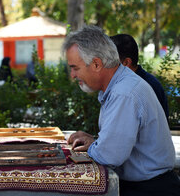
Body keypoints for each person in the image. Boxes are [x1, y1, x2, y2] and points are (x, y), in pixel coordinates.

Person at [63, 25, 179, 196]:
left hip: (150, 189)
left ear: (96, 64)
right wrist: (95, 142)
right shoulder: (121, 86)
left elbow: (109, 155)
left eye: (75, 68)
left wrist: (95, 147)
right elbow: (116, 145)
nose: (72, 75)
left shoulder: (123, 93)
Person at [110, 34, 169, 121]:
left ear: (126, 63)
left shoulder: (144, 86)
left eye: (110, 60)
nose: (105, 64)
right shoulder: (127, 83)